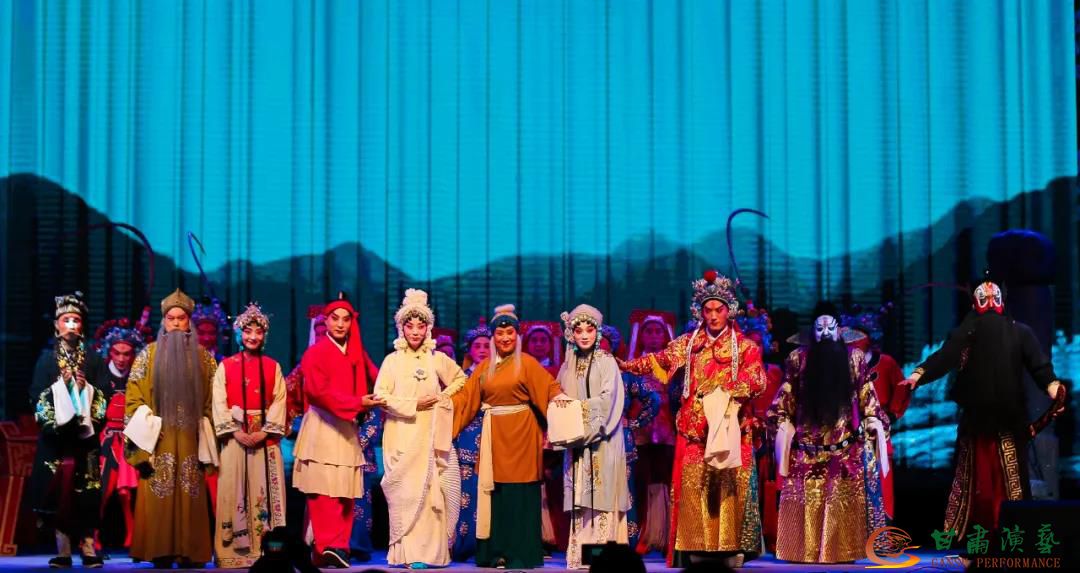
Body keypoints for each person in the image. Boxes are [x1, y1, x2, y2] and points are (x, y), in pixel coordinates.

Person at [618, 270, 767, 568]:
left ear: (729, 311)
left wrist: (726, 390)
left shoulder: (745, 347)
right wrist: (625, 365)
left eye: (718, 310)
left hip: (729, 429)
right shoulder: (688, 344)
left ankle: (729, 549)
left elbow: (758, 380)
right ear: (700, 312)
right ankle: (694, 547)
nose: (713, 316)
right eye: (707, 310)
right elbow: (658, 360)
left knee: (727, 491)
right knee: (693, 489)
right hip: (694, 432)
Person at [901, 279, 1066, 538]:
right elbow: (944, 357)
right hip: (975, 423)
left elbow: (1039, 366)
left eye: (993, 297)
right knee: (975, 483)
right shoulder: (965, 335)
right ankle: (974, 537)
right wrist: (918, 375)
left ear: (1001, 301)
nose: (989, 303)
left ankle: (1012, 535)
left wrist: (1053, 387)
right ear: (974, 303)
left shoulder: (1020, 332)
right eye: (983, 298)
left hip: (1009, 421)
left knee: (1011, 482)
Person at [769, 302, 889, 563]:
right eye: (819, 328)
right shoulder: (797, 359)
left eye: (830, 328)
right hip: (806, 448)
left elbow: (866, 393)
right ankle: (802, 552)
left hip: (844, 448)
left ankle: (843, 551)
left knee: (841, 500)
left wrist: (873, 419)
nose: (825, 333)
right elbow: (787, 395)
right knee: (806, 499)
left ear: (839, 331)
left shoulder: (854, 358)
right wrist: (781, 421)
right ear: (812, 331)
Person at [449, 304, 566, 569]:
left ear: (517, 334)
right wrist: (443, 405)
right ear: (493, 336)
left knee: (520, 494)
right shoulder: (484, 367)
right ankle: (496, 552)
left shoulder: (527, 363)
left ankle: (521, 553)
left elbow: (550, 389)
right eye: (500, 333)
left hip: (523, 435)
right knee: (495, 494)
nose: (505, 338)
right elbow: (466, 399)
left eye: (510, 332)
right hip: (494, 436)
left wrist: (563, 402)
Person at [124, 288, 219, 568]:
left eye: (181, 318)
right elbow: (133, 398)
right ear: (164, 321)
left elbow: (214, 402)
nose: (176, 323)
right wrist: (149, 428)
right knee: (159, 493)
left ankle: (190, 552)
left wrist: (205, 430)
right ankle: (160, 551)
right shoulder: (147, 356)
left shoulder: (204, 359)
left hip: (191, 440)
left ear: (189, 321)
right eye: (171, 318)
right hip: (158, 438)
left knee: (191, 493)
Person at [373, 289, 468, 568]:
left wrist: (441, 398)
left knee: (430, 494)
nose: (415, 331)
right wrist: (415, 403)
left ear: (428, 328)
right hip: (401, 435)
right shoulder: (391, 361)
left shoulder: (435, 359)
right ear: (401, 328)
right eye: (410, 325)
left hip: (429, 434)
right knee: (405, 494)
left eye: (421, 325)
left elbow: (460, 379)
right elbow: (381, 397)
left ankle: (431, 555)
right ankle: (404, 553)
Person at [292, 294, 383, 568]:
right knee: (322, 490)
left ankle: (338, 547)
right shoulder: (315, 353)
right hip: (323, 425)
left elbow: (379, 379)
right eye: (335, 319)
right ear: (326, 321)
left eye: (346, 319)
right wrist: (357, 403)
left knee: (344, 491)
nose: (340, 324)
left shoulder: (356, 353)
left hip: (346, 426)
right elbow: (317, 392)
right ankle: (326, 545)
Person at [28, 292, 108, 568]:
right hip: (56, 440)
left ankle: (88, 548)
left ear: (82, 325)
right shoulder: (46, 361)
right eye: (66, 320)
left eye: (76, 320)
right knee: (58, 493)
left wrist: (87, 390)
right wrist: (59, 390)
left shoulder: (94, 360)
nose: (71, 325)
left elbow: (105, 394)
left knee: (85, 493)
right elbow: (35, 395)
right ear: (56, 325)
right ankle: (62, 550)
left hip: (84, 440)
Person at [212, 303, 288, 568]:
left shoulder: (273, 366)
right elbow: (218, 402)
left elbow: (279, 401)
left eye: (258, 331)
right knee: (233, 489)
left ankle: (267, 552)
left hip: (264, 439)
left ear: (264, 335)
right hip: (235, 437)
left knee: (265, 492)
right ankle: (232, 553)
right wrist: (236, 431)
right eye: (247, 331)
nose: (253, 337)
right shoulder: (226, 366)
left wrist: (264, 432)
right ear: (239, 334)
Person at [556, 305, 630, 569]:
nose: (584, 335)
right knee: (581, 495)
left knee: (603, 495)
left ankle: (603, 556)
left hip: (603, 438)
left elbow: (610, 399)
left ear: (597, 332)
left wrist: (578, 411)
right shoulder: (568, 365)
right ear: (571, 334)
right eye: (579, 330)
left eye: (589, 330)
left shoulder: (606, 361)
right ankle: (581, 554)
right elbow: (559, 398)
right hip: (577, 442)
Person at [842, 303, 909, 520]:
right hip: (849, 433)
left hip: (878, 432)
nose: (855, 340)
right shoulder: (843, 365)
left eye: (860, 335)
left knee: (881, 479)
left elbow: (902, 388)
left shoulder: (886, 363)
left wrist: (892, 414)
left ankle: (881, 527)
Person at [93, 311, 153, 550]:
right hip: (106, 437)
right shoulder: (101, 375)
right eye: (116, 353)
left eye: (126, 354)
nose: (121, 358)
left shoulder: (138, 378)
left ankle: (133, 534)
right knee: (103, 489)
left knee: (127, 493)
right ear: (109, 352)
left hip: (130, 437)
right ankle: (92, 535)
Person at [622, 309, 678, 555]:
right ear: (641, 336)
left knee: (665, 481)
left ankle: (666, 535)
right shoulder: (634, 364)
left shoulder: (672, 365)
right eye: (649, 332)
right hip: (641, 431)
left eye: (658, 331)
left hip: (667, 430)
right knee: (640, 480)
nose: (654, 336)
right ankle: (643, 533)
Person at [603, 324, 659, 551]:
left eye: (605, 346)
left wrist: (635, 423)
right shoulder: (582, 375)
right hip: (592, 441)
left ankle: (627, 543)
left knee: (625, 493)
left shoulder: (625, 376)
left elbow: (653, 399)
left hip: (621, 440)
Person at [735, 302, 783, 552]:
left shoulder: (775, 372)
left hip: (772, 434)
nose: (754, 347)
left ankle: (773, 535)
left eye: (758, 343)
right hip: (745, 433)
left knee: (771, 483)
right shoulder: (738, 375)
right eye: (749, 343)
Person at [450, 318, 491, 561]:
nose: (483, 350)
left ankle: (487, 547)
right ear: (469, 350)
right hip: (466, 441)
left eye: (487, 345)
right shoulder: (460, 379)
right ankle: (464, 546)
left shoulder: (499, 375)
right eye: (478, 346)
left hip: (493, 441)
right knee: (465, 496)